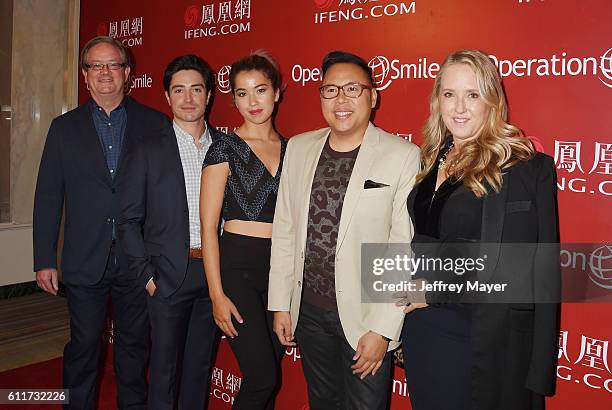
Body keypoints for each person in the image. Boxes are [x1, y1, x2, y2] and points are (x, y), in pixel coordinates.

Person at [401, 49, 560, 410]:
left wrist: (435, 291)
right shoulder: (431, 158)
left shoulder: (523, 168)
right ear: (437, 100)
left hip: (481, 336)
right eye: (449, 94)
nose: (460, 107)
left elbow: (521, 272)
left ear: (491, 101)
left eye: (472, 95)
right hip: (423, 329)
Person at [268, 51, 420, 410]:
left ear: (373, 95)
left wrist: (384, 328)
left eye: (353, 88)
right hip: (309, 312)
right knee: (322, 401)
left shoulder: (402, 155)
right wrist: (281, 303)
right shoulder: (300, 148)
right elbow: (286, 228)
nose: (341, 99)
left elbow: (402, 247)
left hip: (366, 317)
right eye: (330, 90)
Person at [33, 36, 168, 409]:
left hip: (138, 260)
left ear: (127, 73)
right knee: (83, 348)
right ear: (85, 75)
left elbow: (164, 196)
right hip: (83, 257)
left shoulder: (155, 124)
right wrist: (44, 257)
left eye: (113, 65)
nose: (105, 73)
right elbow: (47, 197)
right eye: (96, 66)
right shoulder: (63, 129)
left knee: (134, 349)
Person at [118, 54, 221, 410]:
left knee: (198, 369)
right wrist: (147, 277)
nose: (188, 98)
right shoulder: (147, 148)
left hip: (213, 276)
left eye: (196, 89)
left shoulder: (226, 147)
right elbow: (128, 220)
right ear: (167, 97)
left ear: (209, 95)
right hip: (166, 276)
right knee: (163, 373)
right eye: (179, 90)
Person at [200, 51, 286, 410]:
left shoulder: (293, 150)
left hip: (279, 271)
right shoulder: (223, 148)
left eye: (261, 90)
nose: (252, 101)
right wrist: (217, 295)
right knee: (263, 377)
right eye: (242, 93)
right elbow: (207, 228)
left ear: (277, 93)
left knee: (267, 376)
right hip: (236, 269)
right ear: (232, 97)